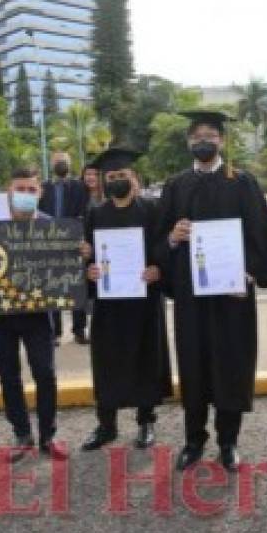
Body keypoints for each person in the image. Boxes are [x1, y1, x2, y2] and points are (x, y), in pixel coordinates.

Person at [154, 111, 267, 472]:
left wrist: (249, 275)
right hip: (191, 296)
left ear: (221, 141)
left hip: (232, 295)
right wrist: (172, 240)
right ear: (189, 143)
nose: (203, 140)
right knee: (193, 365)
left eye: (210, 134)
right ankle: (194, 440)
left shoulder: (243, 183)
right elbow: (157, 245)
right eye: (197, 136)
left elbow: (261, 237)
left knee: (231, 365)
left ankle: (228, 440)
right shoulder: (175, 186)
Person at [0, 165, 66, 460]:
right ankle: (21, 434)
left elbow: (64, 272)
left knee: (45, 373)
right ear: (9, 191)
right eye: (20, 189)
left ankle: (48, 435)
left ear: (40, 193)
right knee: (8, 377)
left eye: (32, 190)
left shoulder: (50, 226)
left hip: (38, 316)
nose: (26, 194)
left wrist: (77, 254)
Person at [79, 148, 172, 451]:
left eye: (123, 175)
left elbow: (164, 248)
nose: (118, 180)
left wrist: (159, 268)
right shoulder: (95, 213)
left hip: (144, 300)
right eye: (112, 177)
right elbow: (87, 254)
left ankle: (146, 422)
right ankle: (106, 425)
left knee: (146, 359)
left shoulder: (152, 210)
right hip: (109, 303)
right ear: (105, 182)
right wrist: (88, 268)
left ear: (134, 178)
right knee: (107, 361)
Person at [39, 150, 89, 344]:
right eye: (57, 161)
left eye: (64, 161)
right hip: (50, 242)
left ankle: (79, 330)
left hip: (74, 240)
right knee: (53, 287)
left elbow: (84, 210)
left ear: (70, 164)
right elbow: (39, 211)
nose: (61, 164)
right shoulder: (44, 187)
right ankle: (55, 332)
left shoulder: (79, 186)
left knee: (77, 286)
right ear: (52, 165)